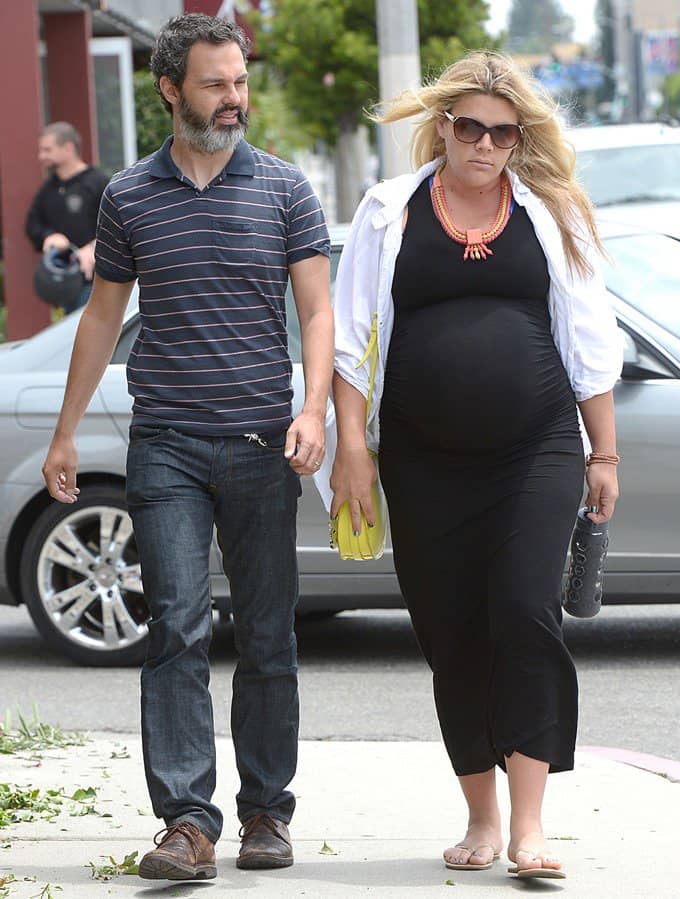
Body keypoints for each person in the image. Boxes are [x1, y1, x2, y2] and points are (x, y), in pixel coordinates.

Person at [41, 13, 333, 881]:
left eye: (240, 82)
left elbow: (316, 312)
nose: (234, 99)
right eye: (216, 84)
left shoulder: (285, 190)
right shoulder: (128, 196)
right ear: (171, 89)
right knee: (172, 626)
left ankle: (266, 813)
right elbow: (101, 319)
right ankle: (187, 822)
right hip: (165, 442)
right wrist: (65, 430)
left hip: (260, 441)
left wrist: (312, 407)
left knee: (269, 632)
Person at [319, 51, 622, 880]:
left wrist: (606, 450)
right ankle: (480, 817)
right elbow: (350, 346)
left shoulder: (550, 213)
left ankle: (529, 828)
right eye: (468, 127)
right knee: (453, 633)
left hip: (537, 447)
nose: (483, 144)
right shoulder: (388, 213)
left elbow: (591, 342)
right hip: (422, 462)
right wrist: (352, 448)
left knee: (526, 611)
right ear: (443, 126)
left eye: (501, 131)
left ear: (518, 137)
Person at [26, 121, 109, 313]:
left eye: (47, 150)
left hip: (96, 284)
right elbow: (32, 224)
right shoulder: (49, 188)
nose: (41, 156)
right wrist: (49, 236)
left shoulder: (98, 183)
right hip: (66, 286)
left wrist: (94, 247)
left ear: (68, 148)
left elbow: (121, 226)